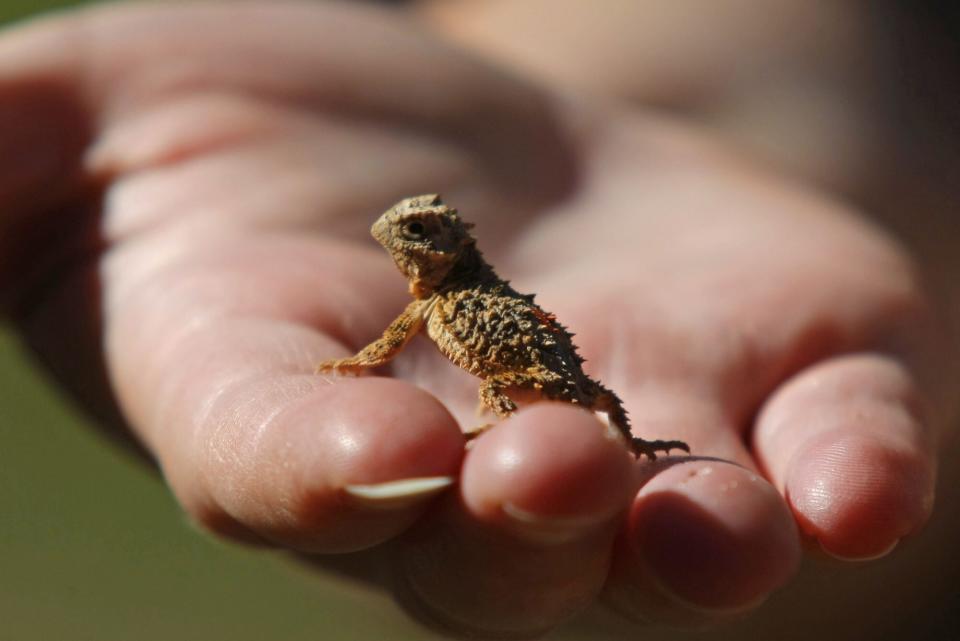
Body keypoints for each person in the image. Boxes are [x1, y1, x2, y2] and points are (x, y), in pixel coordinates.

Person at [1, 2, 956, 638]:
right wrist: (358, 368)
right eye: (401, 228)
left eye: (416, 228)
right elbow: (392, 343)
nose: (395, 236)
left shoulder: (469, 303)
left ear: (444, 243)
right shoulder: (434, 303)